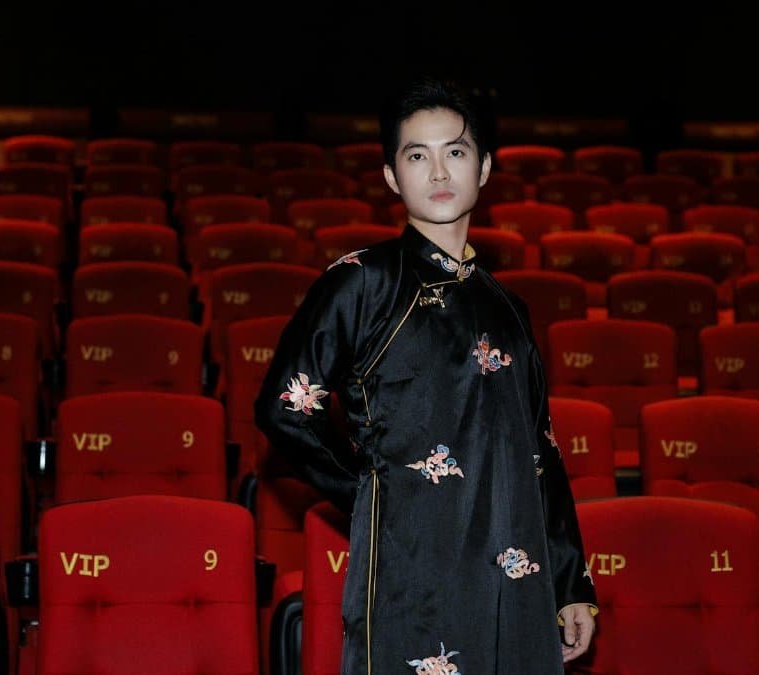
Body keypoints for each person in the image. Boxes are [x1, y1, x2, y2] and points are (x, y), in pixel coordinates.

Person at [254, 77, 597, 675]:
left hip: (516, 576)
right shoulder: (363, 281)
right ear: (391, 176)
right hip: (412, 569)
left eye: (455, 152)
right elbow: (285, 408)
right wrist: (370, 493)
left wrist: (570, 582)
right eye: (417, 155)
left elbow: (540, 452)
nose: (438, 172)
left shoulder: (509, 307)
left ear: (485, 169)